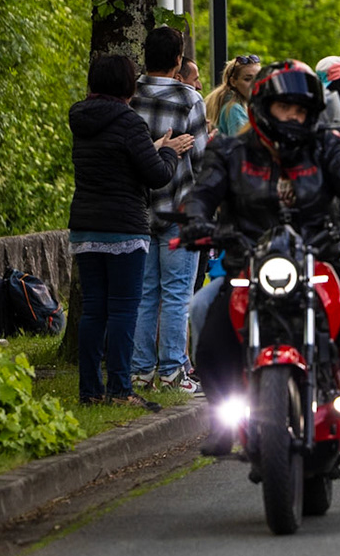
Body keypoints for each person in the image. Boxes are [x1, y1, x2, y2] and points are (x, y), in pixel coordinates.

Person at [184, 60, 340, 449]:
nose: (293, 116)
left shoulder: (325, 146)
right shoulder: (231, 151)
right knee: (202, 314)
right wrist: (196, 218)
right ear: (263, 107)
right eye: (286, 107)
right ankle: (220, 419)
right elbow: (203, 192)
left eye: (301, 109)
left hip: (319, 258)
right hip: (249, 264)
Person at [69, 54, 190, 408]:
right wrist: (168, 152)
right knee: (123, 310)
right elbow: (156, 176)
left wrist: (152, 150)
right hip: (123, 226)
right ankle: (120, 389)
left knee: (93, 310)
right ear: (126, 85)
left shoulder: (80, 119)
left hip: (86, 225)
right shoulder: (129, 122)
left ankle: (89, 390)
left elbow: (115, 162)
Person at [129, 24, 207, 392]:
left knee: (145, 293)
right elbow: (204, 159)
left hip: (138, 210)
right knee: (177, 293)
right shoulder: (189, 99)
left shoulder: (129, 96)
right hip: (180, 205)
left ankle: (141, 370)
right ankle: (173, 370)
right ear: (178, 60)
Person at [203, 54, 261, 138]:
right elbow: (242, 146)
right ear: (233, 82)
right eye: (247, 79)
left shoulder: (246, 105)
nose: (255, 83)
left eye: (258, 77)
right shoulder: (234, 109)